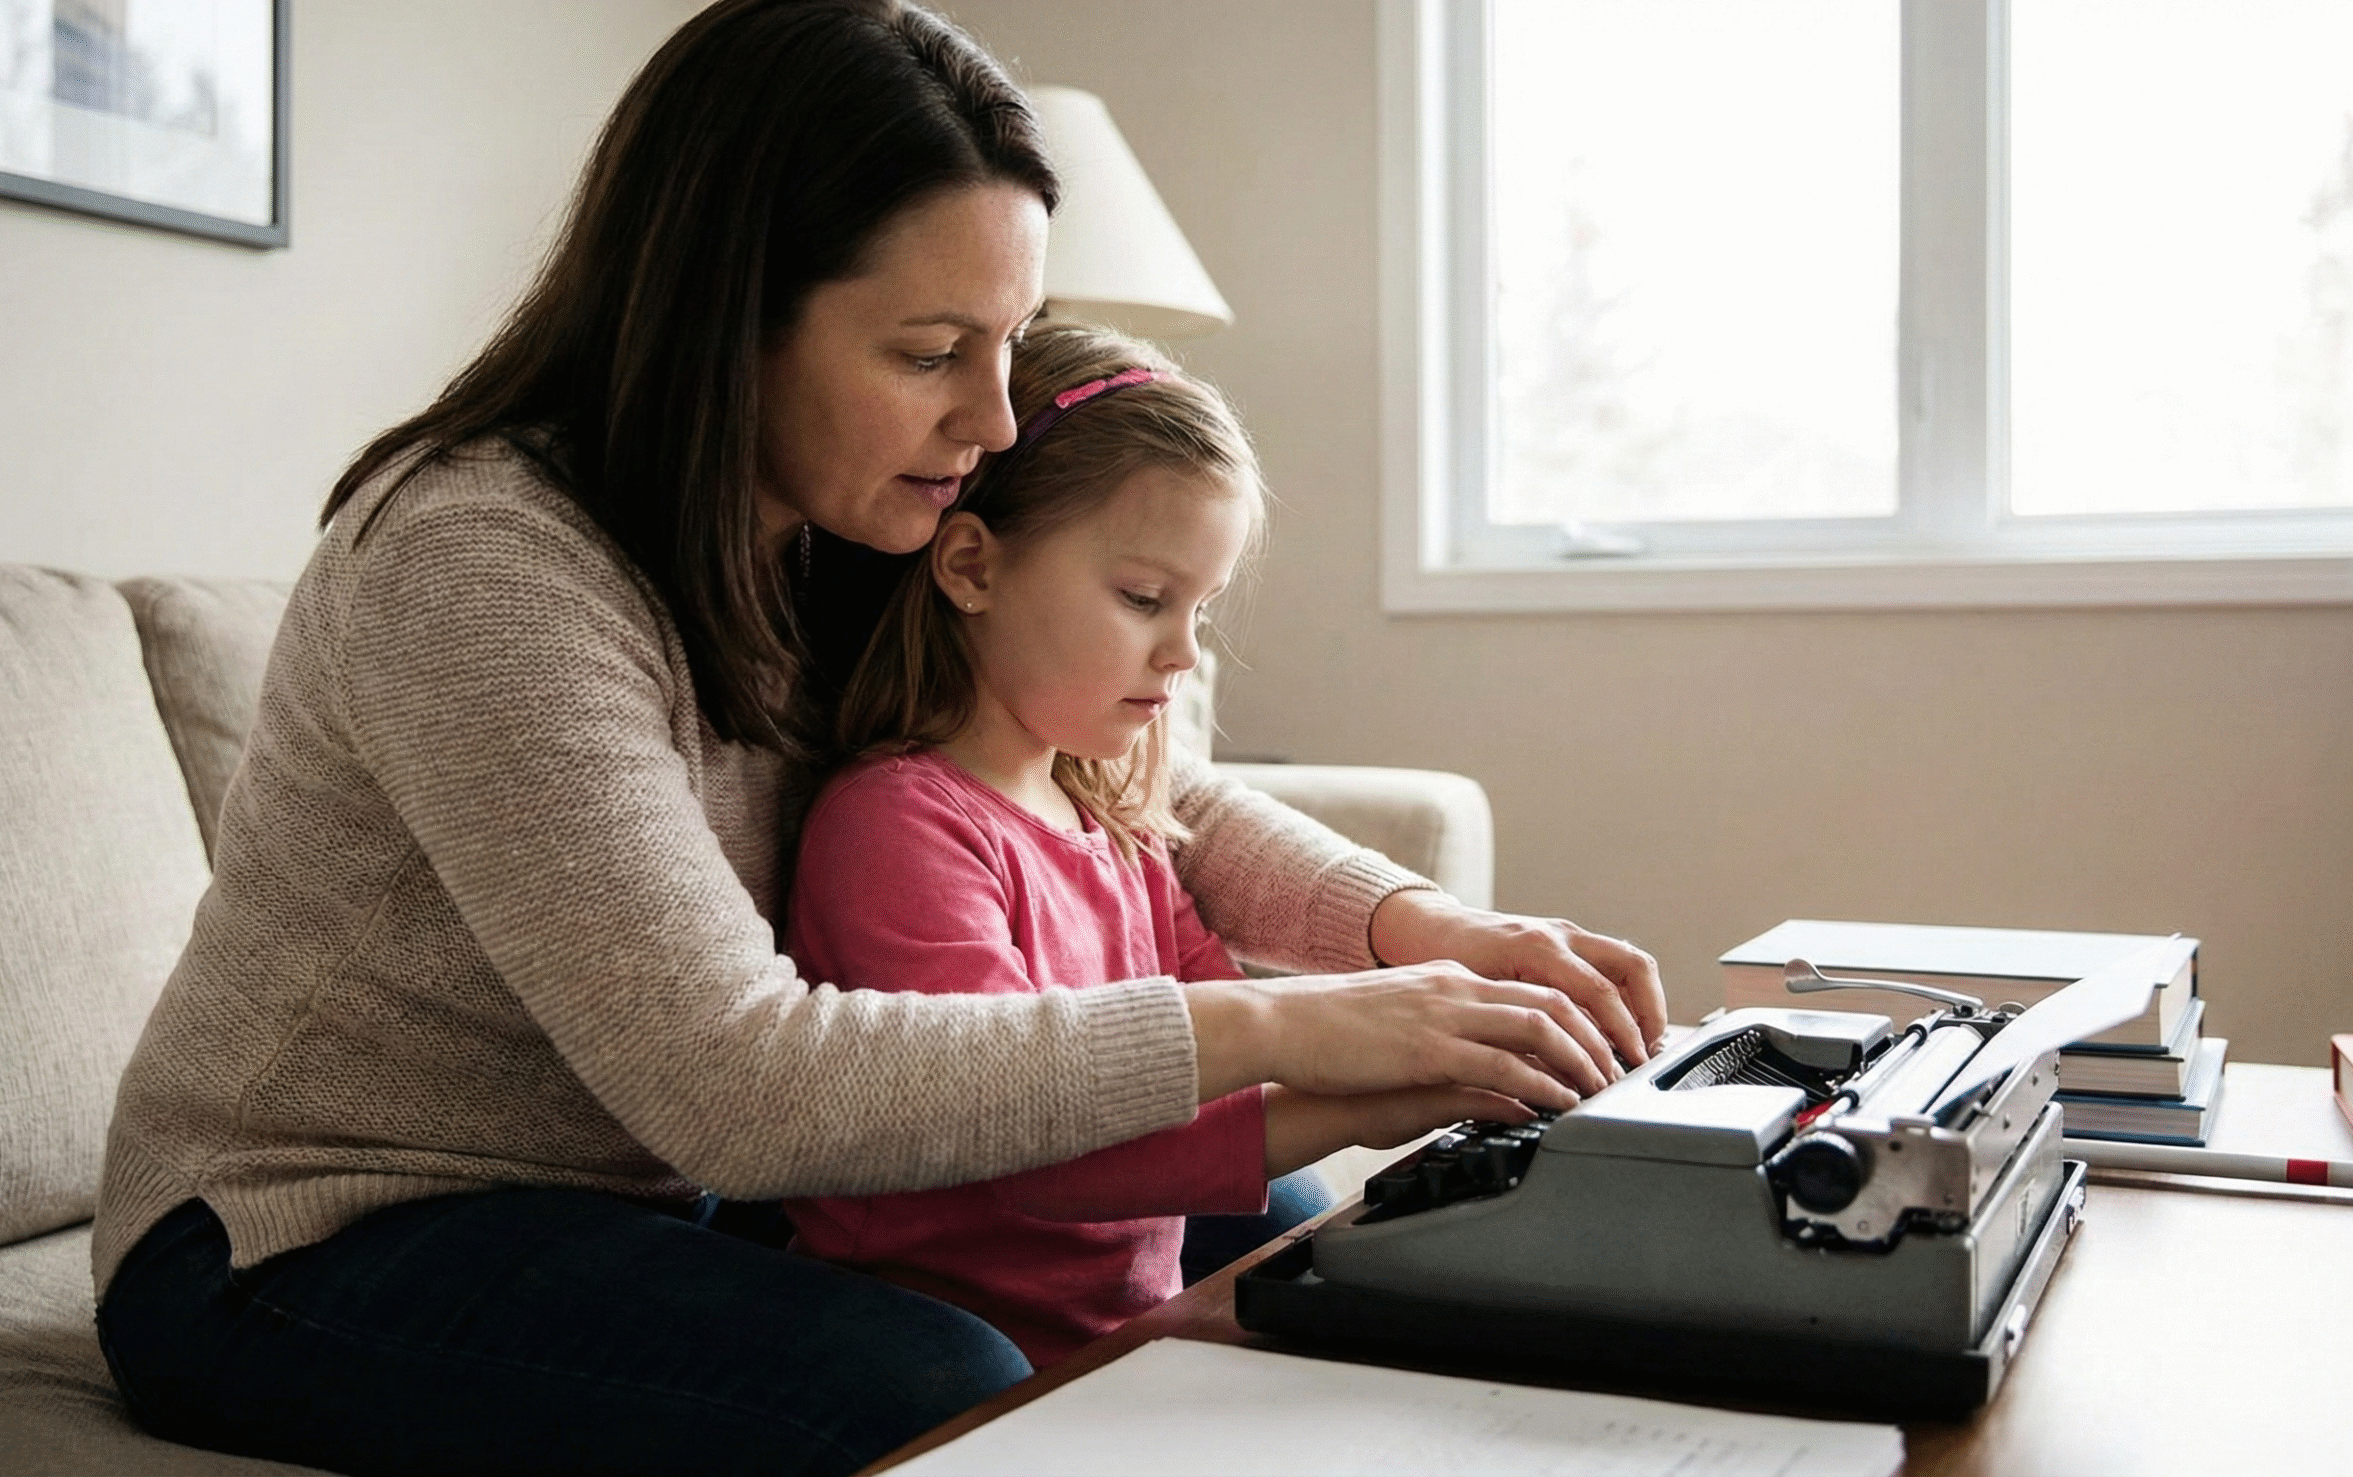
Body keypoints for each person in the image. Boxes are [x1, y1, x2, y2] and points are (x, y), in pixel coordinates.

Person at [90, 3, 1667, 1474]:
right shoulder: (484, 563)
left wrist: (1423, 930)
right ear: (730, 318)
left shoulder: (837, 522)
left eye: (1010, 338)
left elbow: (1149, 786)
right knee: (946, 1388)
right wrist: (1294, 1027)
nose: (990, 422)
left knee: (1292, 1227)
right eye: (929, 352)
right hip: (310, 1236)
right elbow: (743, 1086)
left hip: (658, 1197)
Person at [781, 324, 1513, 1367]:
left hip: (1114, 1326)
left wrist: (1448, 1063)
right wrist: (1393, 1097)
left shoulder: (1110, 811)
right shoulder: (895, 826)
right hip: (949, 1347)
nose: (1181, 653)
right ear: (972, 564)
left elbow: (1216, 1079)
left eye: (1199, 610)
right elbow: (1035, 1153)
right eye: (1141, 599)